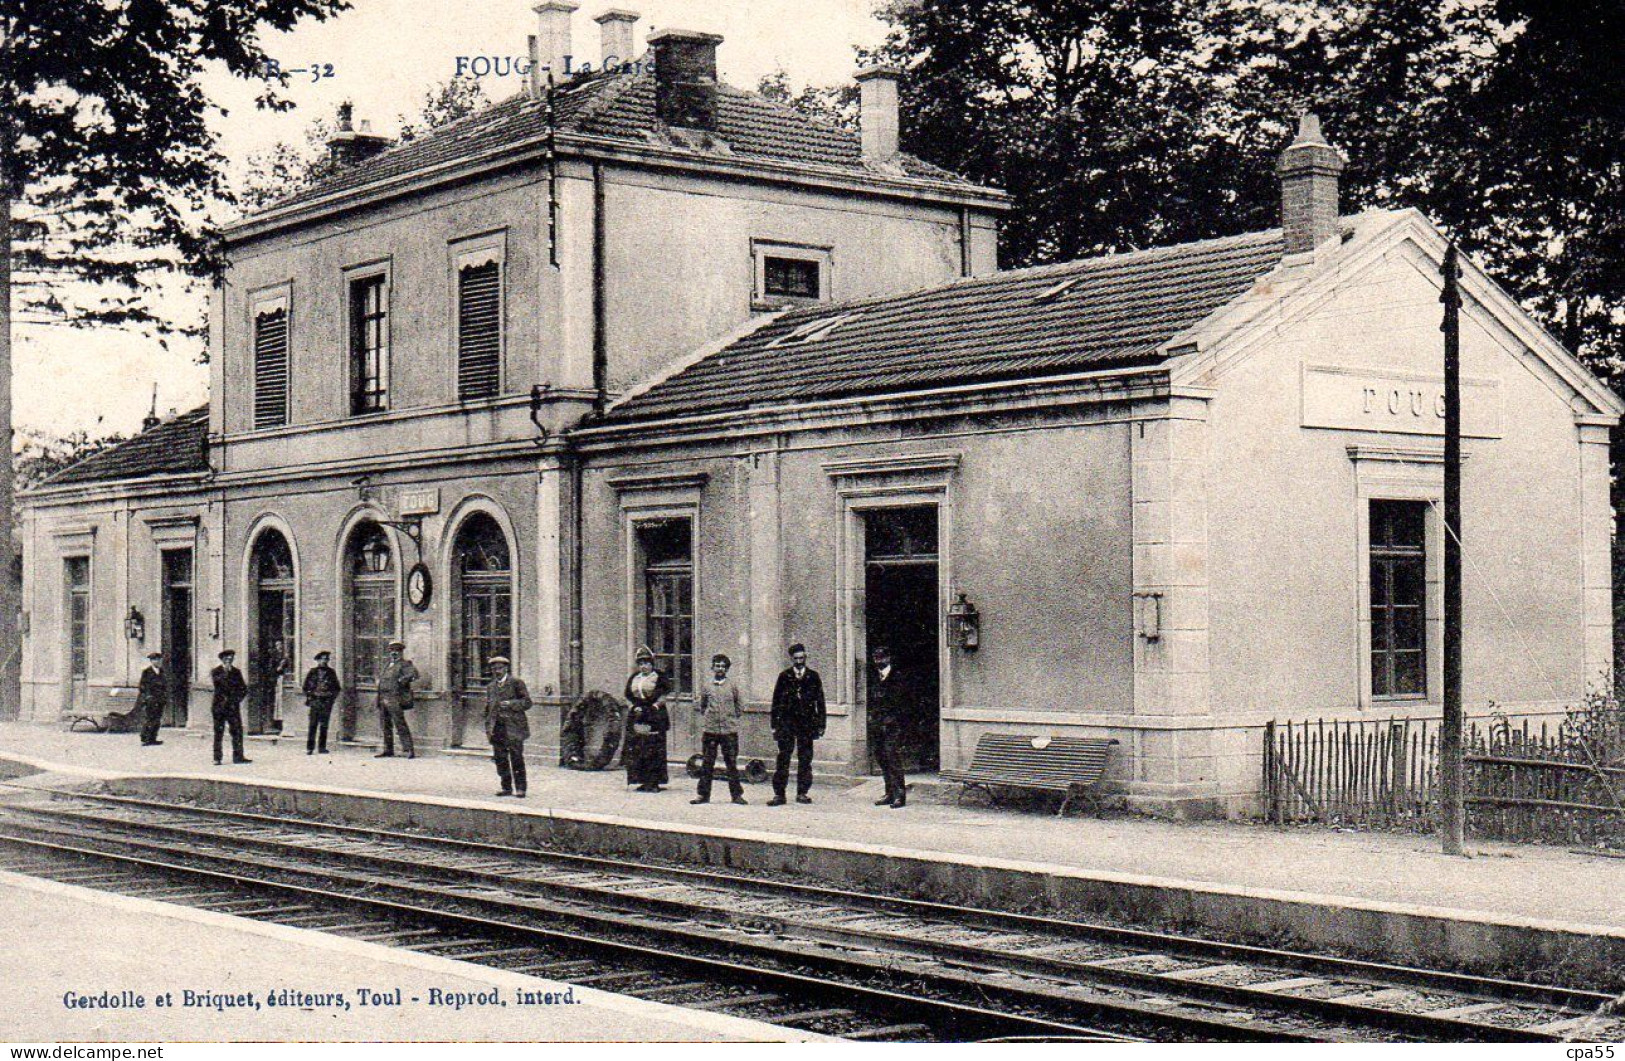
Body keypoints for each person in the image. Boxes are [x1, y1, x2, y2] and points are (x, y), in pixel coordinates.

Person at [768, 643, 825, 806]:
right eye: (796, 658)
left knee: (805, 759)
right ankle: (779, 794)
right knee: (783, 758)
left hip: (807, 724)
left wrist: (821, 724)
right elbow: (776, 701)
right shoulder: (784, 676)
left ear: (805, 658)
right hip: (786, 724)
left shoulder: (813, 677)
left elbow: (820, 702)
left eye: (802, 658)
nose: (799, 661)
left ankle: (802, 792)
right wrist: (774, 724)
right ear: (791, 659)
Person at [691, 654, 746, 806]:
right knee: (707, 763)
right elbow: (703, 706)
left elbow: (739, 706)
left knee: (731, 764)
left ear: (727, 669)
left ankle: (736, 795)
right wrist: (711, 718)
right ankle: (703, 795)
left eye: (723, 666)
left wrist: (731, 719)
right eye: (717, 665)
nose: (720, 669)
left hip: (729, 731)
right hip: (711, 730)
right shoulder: (707, 686)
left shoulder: (732, 686)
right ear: (713, 667)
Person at [623, 646, 671, 792]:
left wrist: (655, 707)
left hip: (654, 715)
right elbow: (627, 696)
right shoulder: (634, 678)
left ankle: (654, 782)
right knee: (638, 748)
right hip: (637, 714)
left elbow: (664, 695)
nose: (644, 666)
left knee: (654, 748)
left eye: (647, 663)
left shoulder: (659, 676)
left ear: (652, 664)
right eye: (641, 663)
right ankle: (642, 780)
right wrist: (632, 707)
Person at [483, 656, 532, 798]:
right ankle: (506, 787)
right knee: (500, 759)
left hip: (514, 727)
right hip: (497, 728)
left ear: (506, 669)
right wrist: (488, 726)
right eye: (494, 669)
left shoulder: (516, 683)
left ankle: (521, 788)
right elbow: (488, 708)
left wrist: (511, 704)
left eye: (499, 668)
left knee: (516, 757)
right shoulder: (491, 687)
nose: (496, 671)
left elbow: (527, 702)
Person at [868, 644, 910, 808]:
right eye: (876, 658)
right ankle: (889, 792)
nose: (878, 661)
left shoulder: (898, 677)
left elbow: (903, 703)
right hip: (878, 726)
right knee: (881, 758)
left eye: (881, 658)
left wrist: (893, 721)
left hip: (893, 726)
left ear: (888, 658)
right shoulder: (875, 678)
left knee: (893, 759)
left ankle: (900, 795)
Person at [375, 639, 419, 758]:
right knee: (385, 724)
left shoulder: (405, 664)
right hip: (383, 697)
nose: (394, 653)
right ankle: (388, 749)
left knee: (400, 724)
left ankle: (409, 749)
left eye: (397, 651)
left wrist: (402, 680)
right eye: (392, 650)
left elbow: (414, 674)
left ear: (401, 652)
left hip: (395, 698)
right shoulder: (387, 664)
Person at [210, 649, 251, 766]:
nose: (229, 661)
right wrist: (226, 672)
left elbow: (243, 688)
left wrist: (236, 700)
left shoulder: (236, 672)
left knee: (237, 731)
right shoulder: (216, 671)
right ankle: (217, 758)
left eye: (231, 658)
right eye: (227, 659)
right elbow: (219, 684)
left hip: (232, 707)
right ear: (222, 659)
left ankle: (238, 757)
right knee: (219, 732)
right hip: (219, 707)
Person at [301, 650, 342, 755]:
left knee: (324, 725)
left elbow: (337, 688)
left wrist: (331, 699)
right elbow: (305, 687)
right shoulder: (312, 672)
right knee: (313, 724)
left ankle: (322, 747)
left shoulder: (331, 672)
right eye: (322, 659)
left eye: (326, 659)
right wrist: (310, 697)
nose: (324, 661)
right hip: (315, 701)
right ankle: (310, 748)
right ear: (318, 660)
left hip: (326, 701)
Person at [136, 650, 166, 747]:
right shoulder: (147, 672)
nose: (158, 662)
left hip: (160, 699)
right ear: (151, 661)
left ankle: (153, 738)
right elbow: (142, 686)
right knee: (149, 719)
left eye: (159, 660)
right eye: (155, 660)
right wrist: (147, 697)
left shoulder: (161, 671)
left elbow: (164, 685)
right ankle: (145, 738)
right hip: (151, 699)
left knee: (157, 719)